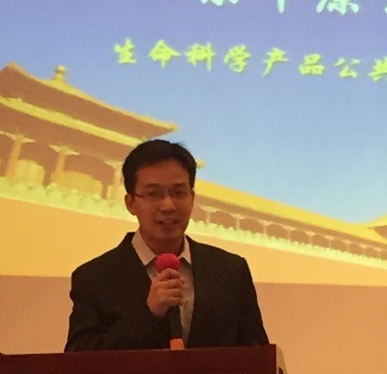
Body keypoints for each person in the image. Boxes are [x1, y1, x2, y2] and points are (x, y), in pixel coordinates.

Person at [64, 139, 269, 351]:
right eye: (153, 194)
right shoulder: (94, 278)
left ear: (192, 198)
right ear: (131, 202)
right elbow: (79, 361)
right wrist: (148, 314)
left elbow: (258, 356)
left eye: (178, 193)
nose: (168, 205)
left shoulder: (231, 271)